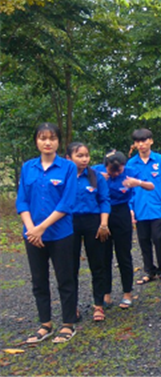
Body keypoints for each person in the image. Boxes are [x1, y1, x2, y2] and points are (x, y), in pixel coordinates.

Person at [17, 123, 79, 344]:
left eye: (52, 138)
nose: (47, 142)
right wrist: (31, 229)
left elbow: (67, 202)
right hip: (32, 235)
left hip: (60, 233)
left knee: (65, 278)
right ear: (36, 141)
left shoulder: (68, 168)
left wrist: (42, 228)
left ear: (58, 142)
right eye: (43, 138)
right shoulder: (28, 168)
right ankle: (45, 324)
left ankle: (68, 323)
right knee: (38, 280)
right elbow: (22, 200)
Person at [99, 150, 153, 310]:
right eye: (111, 170)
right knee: (104, 256)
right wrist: (97, 179)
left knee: (124, 255)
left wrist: (138, 183)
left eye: (118, 170)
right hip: (102, 215)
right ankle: (105, 294)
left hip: (121, 214)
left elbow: (151, 185)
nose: (115, 173)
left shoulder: (130, 173)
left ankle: (127, 293)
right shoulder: (97, 171)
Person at [66, 142, 110, 323]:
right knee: (70, 267)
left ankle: (98, 305)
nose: (84, 159)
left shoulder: (95, 176)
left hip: (93, 222)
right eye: (79, 156)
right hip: (69, 223)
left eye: (86, 155)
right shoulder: (64, 176)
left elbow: (104, 200)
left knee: (97, 264)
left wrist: (104, 224)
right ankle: (71, 307)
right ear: (68, 158)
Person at [127, 129, 161, 286]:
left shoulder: (160, 161)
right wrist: (130, 208)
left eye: (144, 141)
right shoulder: (131, 164)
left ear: (151, 141)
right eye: (138, 142)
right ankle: (149, 270)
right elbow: (128, 188)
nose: (141, 144)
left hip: (157, 207)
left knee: (159, 238)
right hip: (140, 209)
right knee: (143, 240)